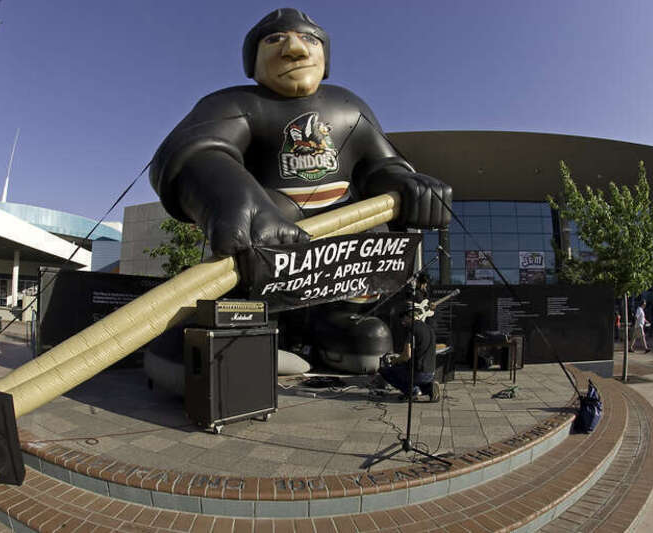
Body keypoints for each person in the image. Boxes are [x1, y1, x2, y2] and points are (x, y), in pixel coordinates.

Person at [149, 8, 452, 371]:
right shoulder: (235, 104)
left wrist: (407, 184)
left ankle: (333, 323)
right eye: (274, 40)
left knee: (363, 333)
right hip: (269, 238)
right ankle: (238, 327)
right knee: (243, 276)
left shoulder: (349, 106)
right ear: (253, 60)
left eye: (309, 39)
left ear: (326, 57)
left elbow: (379, 165)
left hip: (340, 250)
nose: (295, 50)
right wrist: (229, 194)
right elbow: (193, 151)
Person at [376, 276, 440, 402]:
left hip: (418, 373)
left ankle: (413, 391)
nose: (402, 323)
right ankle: (429, 387)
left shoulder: (412, 330)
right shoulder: (429, 329)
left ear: (408, 316)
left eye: (403, 319)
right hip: (431, 373)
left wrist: (394, 361)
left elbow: (406, 355)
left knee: (385, 371)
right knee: (406, 371)